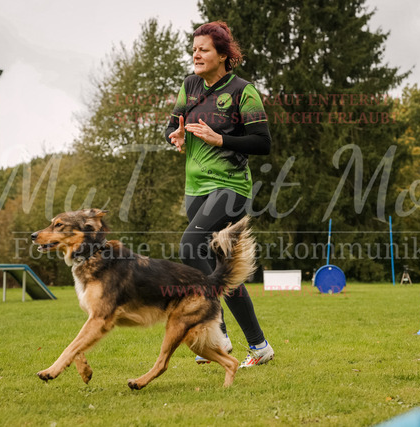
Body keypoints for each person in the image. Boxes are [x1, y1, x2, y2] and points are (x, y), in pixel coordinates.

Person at [164, 21, 274, 368]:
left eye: (204, 49)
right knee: (220, 271)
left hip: (230, 188)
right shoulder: (190, 85)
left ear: (223, 55)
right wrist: (175, 135)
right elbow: (172, 126)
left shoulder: (243, 91)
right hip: (195, 189)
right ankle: (258, 346)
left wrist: (221, 139)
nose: (196, 55)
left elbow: (263, 142)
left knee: (189, 245)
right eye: (194, 49)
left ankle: (219, 335)